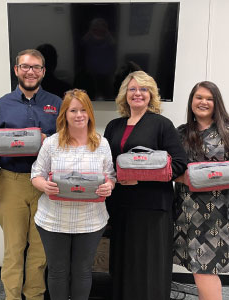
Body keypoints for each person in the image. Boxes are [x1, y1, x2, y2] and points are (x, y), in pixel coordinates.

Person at [0, 49, 62, 300]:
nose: (31, 72)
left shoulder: (57, 104)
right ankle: (12, 296)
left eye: (36, 67)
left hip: (46, 183)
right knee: (14, 248)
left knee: (40, 251)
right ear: (16, 69)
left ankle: (35, 296)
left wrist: (46, 139)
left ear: (43, 72)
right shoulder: (2, 104)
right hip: (11, 181)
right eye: (26, 67)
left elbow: (67, 142)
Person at [104, 70, 187, 300]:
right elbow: (107, 162)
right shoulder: (113, 126)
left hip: (152, 207)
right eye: (132, 89)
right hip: (120, 205)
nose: (137, 93)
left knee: (149, 265)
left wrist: (139, 178)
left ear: (151, 95)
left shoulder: (162, 124)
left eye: (143, 89)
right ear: (124, 94)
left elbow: (179, 164)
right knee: (123, 263)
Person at [30, 89, 116, 300]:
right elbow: (35, 175)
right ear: (65, 114)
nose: (79, 115)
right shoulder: (51, 143)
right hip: (54, 220)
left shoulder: (101, 143)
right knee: (57, 271)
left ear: (89, 113)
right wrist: (44, 186)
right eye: (73, 110)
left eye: (83, 110)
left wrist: (109, 186)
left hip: (90, 220)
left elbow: (111, 176)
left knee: (83, 271)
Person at [173, 81, 229, 300]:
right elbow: (172, 169)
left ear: (216, 103)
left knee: (205, 270)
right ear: (191, 101)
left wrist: (204, 176)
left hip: (218, 214)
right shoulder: (181, 133)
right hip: (187, 213)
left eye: (209, 98)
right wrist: (189, 177)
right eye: (199, 97)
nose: (203, 102)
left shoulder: (226, 131)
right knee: (200, 269)